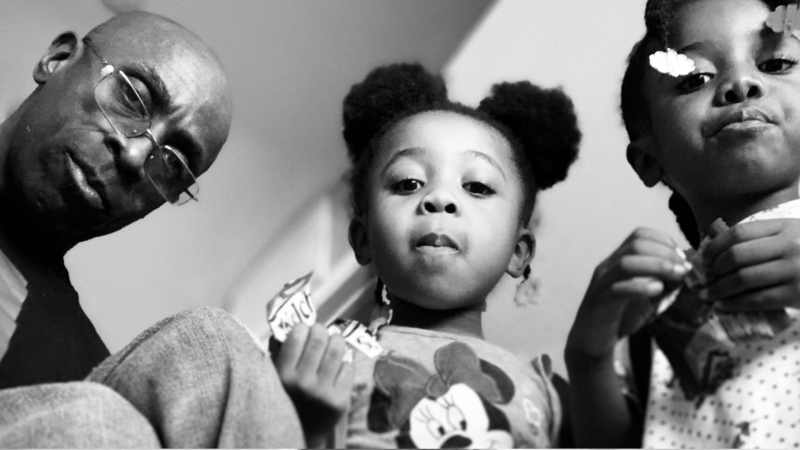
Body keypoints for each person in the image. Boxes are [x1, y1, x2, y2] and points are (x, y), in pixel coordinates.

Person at [277, 62, 580, 448]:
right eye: (409, 183)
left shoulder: (552, 396)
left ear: (518, 252)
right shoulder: (320, 359)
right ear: (363, 237)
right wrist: (309, 428)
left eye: (477, 186)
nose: (439, 199)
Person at [565, 0, 800, 447]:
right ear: (649, 158)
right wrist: (588, 357)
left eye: (776, 63)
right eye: (694, 79)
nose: (741, 83)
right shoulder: (648, 304)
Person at [0, 10, 232, 389]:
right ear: (56, 60)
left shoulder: (82, 387)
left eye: (172, 165)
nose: (134, 157)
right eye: (132, 97)